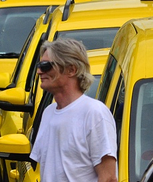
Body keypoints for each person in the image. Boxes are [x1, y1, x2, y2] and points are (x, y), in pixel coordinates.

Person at [30, 39, 117, 182]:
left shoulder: (95, 113)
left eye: (45, 66)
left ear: (71, 70)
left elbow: (108, 177)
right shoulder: (48, 112)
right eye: (39, 66)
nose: (39, 71)